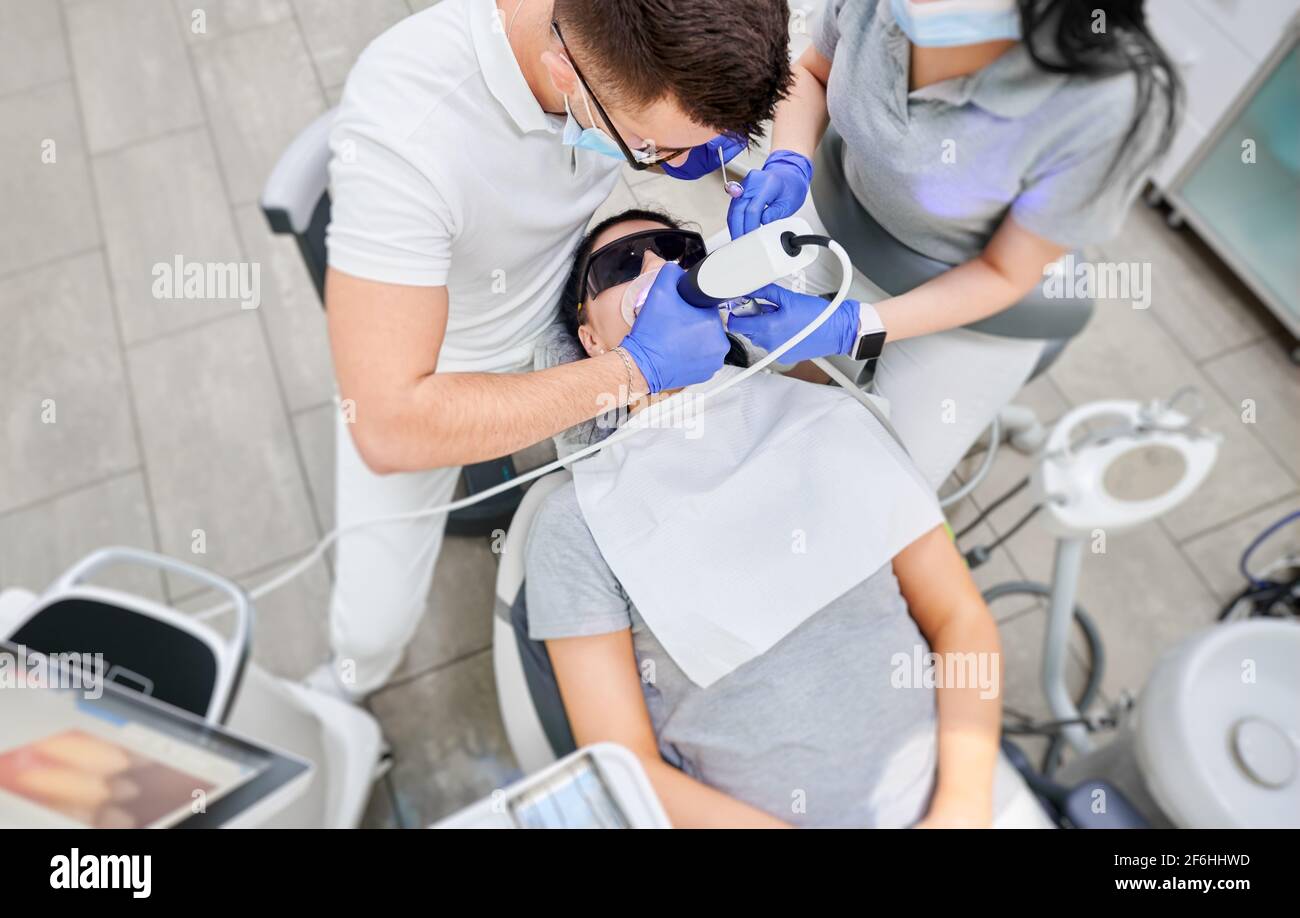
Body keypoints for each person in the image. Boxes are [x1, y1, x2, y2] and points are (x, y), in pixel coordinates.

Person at [315, 0, 793, 699]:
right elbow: (389, 426)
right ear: (564, 72)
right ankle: (347, 685)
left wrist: (750, 160)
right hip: (447, 372)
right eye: (657, 150)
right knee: (373, 619)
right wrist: (631, 370)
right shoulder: (405, 130)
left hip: (570, 290)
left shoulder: (635, 56)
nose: (683, 163)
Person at [524, 210, 1005, 828]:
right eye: (621, 265)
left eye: (679, 251)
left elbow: (961, 619)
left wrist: (963, 807)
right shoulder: (577, 523)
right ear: (589, 340)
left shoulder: (828, 417)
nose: (658, 267)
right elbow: (623, 765)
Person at [724, 0, 1181, 487]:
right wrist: (789, 160)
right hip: (843, 207)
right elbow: (814, 73)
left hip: (976, 301)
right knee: (716, 346)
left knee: (870, 488)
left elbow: (1007, 272)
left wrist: (854, 327)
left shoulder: (1107, 101)